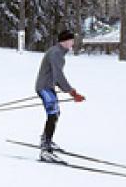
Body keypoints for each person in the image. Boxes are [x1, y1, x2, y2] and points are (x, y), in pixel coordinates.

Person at [35, 30, 85, 162]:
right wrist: (72, 92)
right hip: (45, 88)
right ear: (65, 41)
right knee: (53, 114)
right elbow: (58, 76)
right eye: (71, 40)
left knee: (55, 114)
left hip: (48, 87)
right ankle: (45, 150)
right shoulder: (56, 53)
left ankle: (46, 140)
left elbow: (55, 76)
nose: (73, 43)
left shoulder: (57, 52)